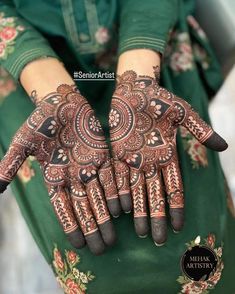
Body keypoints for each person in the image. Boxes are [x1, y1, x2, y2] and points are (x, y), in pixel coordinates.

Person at [0, 0, 234, 293]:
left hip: (145, 37)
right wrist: (54, 95)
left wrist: (137, 79)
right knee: (92, 269)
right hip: (28, 63)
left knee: (201, 257)